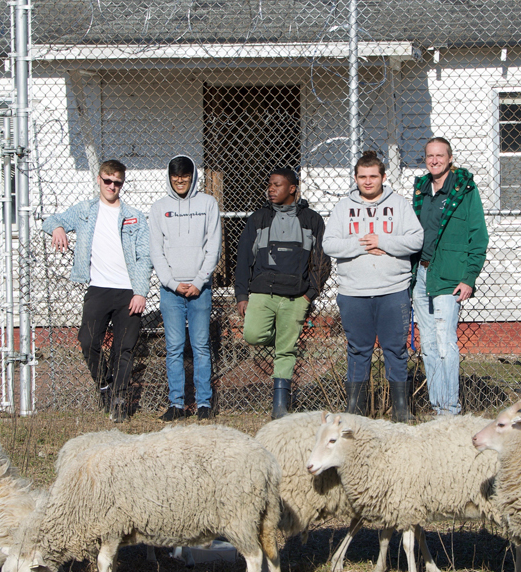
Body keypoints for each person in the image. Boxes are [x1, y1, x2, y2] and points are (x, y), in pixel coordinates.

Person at [41, 159, 151, 422]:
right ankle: (104, 384)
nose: (112, 186)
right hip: (98, 289)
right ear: (99, 180)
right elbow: (51, 219)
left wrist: (141, 291)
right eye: (107, 181)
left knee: (124, 348)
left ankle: (120, 400)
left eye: (117, 182)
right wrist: (57, 228)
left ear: (122, 184)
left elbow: (145, 256)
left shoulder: (134, 216)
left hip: (128, 291)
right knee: (88, 341)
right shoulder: (85, 211)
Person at [323, 150, 423, 422]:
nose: (368, 182)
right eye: (362, 177)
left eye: (373, 176)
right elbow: (329, 244)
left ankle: (401, 412)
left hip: (393, 290)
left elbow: (416, 240)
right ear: (355, 178)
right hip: (354, 292)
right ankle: (356, 412)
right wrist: (362, 243)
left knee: (395, 349)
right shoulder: (344, 207)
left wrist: (383, 241)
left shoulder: (399, 205)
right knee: (358, 350)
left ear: (383, 177)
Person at [234, 167, 331, 419]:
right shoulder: (258, 218)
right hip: (262, 293)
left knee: (286, 351)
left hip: (296, 297)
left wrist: (310, 293)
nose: (271, 189)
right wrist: (242, 295)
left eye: (277, 185)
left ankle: (280, 407)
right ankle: (284, 338)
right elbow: (244, 259)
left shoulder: (312, 219)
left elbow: (322, 260)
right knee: (253, 334)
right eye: (269, 185)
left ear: (292, 189)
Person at [411, 137, 488, 416]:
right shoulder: (421, 190)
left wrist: (469, 277)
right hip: (421, 275)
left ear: (449, 158)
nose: (434, 160)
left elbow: (478, 236)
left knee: (445, 344)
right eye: (429, 156)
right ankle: (438, 406)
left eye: (439, 155)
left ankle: (451, 410)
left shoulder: (464, 189)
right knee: (428, 345)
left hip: (449, 277)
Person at [149, 155, 222, 421]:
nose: (180, 181)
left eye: (185, 176)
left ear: (193, 176)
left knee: (201, 346)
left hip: (199, 289)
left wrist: (200, 280)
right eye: (175, 176)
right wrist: (171, 282)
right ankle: (176, 404)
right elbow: (156, 250)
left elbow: (213, 246)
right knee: (174, 347)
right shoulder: (159, 208)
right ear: (169, 177)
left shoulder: (208, 204)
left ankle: (204, 404)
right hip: (171, 291)